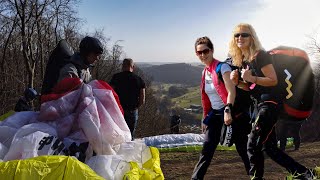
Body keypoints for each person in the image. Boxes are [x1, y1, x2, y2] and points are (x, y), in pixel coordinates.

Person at [229, 23, 315, 180]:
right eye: (237, 35)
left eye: (244, 34)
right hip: (258, 105)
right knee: (269, 148)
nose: (240, 38)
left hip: (269, 105)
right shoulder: (244, 60)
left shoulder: (260, 55)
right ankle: (306, 174)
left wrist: (250, 78)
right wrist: (238, 83)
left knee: (253, 145)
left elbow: (272, 80)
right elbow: (252, 88)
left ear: (252, 37)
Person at [191, 36, 250, 180]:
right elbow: (206, 98)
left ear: (211, 51)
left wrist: (228, 111)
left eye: (205, 51)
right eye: (199, 53)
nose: (203, 55)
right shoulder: (205, 72)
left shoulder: (222, 67)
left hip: (231, 113)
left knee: (242, 149)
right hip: (215, 116)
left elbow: (231, 91)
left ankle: (256, 177)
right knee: (207, 149)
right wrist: (205, 118)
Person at [109, 58, 146, 140]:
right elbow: (142, 100)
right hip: (132, 111)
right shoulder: (139, 80)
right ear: (133, 67)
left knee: (117, 135)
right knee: (130, 135)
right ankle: (129, 151)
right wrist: (135, 107)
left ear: (122, 66)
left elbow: (109, 94)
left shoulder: (116, 78)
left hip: (118, 111)